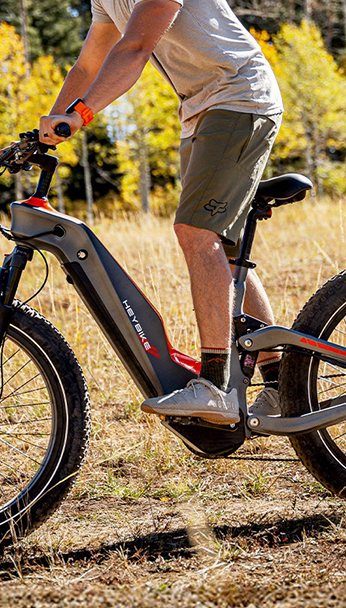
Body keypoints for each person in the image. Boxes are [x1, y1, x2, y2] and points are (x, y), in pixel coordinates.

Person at [40, 0, 285, 425]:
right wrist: (43, 134)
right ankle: (283, 386)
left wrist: (79, 115)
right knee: (221, 248)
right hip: (200, 111)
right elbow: (87, 66)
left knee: (196, 231)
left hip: (238, 97)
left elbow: (134, 48)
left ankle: (215, 388)